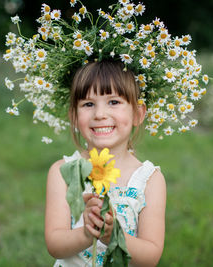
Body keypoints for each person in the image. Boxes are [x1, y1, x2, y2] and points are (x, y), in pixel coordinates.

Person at [45, 60, 167, 267]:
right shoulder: (63, 172)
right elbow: (54, 244)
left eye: (114, 102)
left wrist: (114, 236)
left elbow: (151, 256)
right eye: (88, 104)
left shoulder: (150, 180)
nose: (100, 114)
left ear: (138, 113)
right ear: (74, 116)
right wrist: (87, 233)